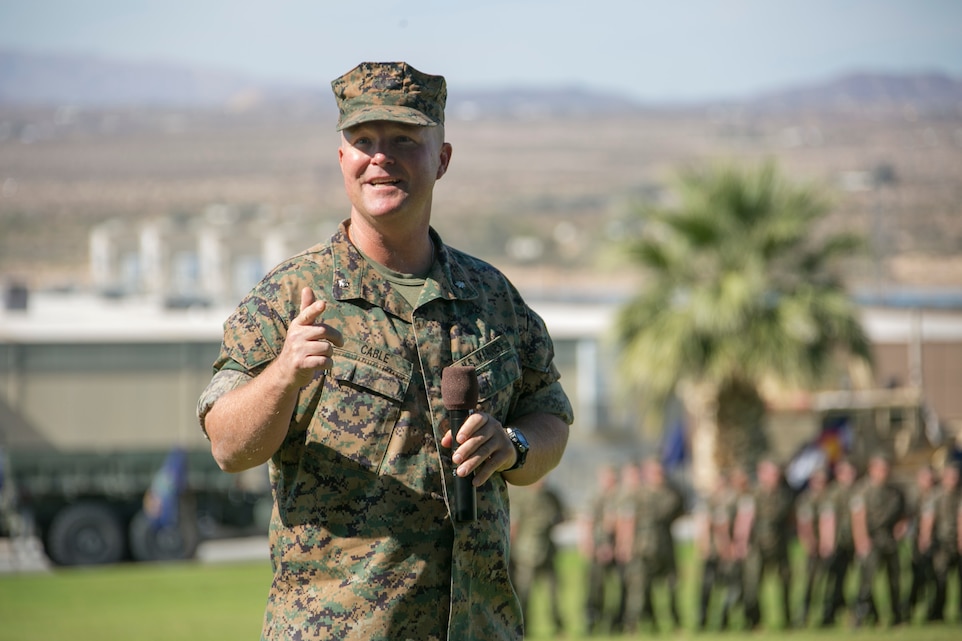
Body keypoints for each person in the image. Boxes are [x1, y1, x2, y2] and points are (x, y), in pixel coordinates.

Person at [197, 61, 573, 641]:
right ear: (342, 159)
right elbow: (226, 444)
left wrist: (513, 445)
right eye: (363, 141)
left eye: (404, 140)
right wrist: (283, 375)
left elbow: (549, 414)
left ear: (442, 158)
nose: (381, 158)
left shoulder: (491, 297)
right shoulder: (290, 296)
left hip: (478, 626)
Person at [617, 458, 685, 632]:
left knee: (672, 587)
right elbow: (627, 521)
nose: (659, 476)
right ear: (646, 474)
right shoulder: (637, 495)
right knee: (638, 589)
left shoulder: (671, 494)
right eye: (654, 472)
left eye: (661, 472)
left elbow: (678, 512)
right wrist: (625, 544)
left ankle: (676, 624)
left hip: (665, 546)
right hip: (642, 547)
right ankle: (632, 626)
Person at [734, 457, 794, 630]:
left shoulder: (785, 494)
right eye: (771, 473)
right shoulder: (753, 494)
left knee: (786, 582)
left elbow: (790, 518)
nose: (775, 477)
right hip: (757, 545)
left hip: (780, 543)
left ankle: (787, 620)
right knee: (752, 584)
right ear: (762, 475)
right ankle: (753, 621)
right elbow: (744, 520)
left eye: (776, 474)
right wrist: (741, 543)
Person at [851, 452, 906, 627]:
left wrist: (901, 527)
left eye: (886, 469)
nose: (884, 472)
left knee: (894, 579)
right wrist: (862, 541)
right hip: (871, 539)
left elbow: (904, 514)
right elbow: (858, 518)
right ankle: (860, 617)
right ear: (872, 469)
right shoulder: (862, 490)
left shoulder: (895, 491)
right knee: (866, 581)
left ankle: (897, 617)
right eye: (881, 469)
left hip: (889, 539)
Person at [509, 478, 566, 635]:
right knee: (524, 593)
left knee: (553, 592)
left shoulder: (551, 496)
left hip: (547, 551)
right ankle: (523, 628)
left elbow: (562, 516)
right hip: (526, 554)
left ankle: (559, 627)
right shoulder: (521, 496)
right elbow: (514, 524)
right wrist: (511, 549)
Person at [580, 463, 621, 635]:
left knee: (619, 586)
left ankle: (616, 622)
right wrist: (589, 544)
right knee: (595, 587)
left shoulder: (620, 497)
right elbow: (587, 523)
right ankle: (591, 620)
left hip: (617, 548)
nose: (609, 481)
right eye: (606, 478)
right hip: (598, 548)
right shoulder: (595, 497)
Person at [819, 457, 859, 626]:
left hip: (856, 543)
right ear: (838, 474)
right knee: (834, 580)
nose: (848, 476)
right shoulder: (832, 493)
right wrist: (827, 542)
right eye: (845, 472)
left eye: (851, 472)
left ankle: (859, 613)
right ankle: (829, 613)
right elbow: (827, 519)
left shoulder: (859, 491)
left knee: (858, 580)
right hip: (837, 544)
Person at [923, 461, 962, 622]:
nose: (953, 480)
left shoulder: (960, 495)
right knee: (940, 579)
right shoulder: (935, 495)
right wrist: (925, 539)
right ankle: (937, 612)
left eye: (956, 477)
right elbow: (928, 519)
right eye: (950, 477)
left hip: (958, 543)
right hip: (941, 545)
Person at [901, 464, 937, 622]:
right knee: (917, 574)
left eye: (930, 478)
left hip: (938, 541)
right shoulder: (913, 495)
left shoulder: (938, 494)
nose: (927, 481)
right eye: (924, 478)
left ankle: (934, 610)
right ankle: (908, 608)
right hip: (918, 541)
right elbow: (907, 516)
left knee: (935, 576)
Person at [795, 465, 830, 627]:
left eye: (822, 481)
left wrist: (828, 542)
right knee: (810, 582)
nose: (819, 484)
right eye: (816, 481)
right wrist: (809, 543)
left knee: (830, 581)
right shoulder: (806, 499)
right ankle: (804, 615)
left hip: (831, 545)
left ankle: (827, 614)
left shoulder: (830, 497)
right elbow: (804, 524)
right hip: (813, 546)